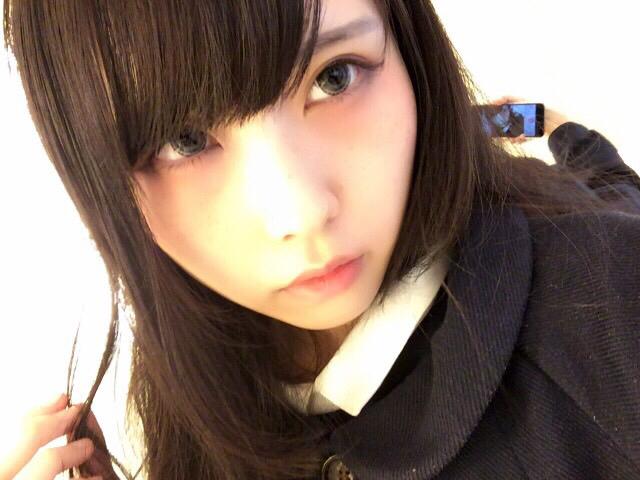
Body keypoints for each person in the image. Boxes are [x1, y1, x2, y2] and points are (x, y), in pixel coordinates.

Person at [2, 0, 639, 479]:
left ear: (410, 49)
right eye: (185, 141)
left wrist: (555, 127)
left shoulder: (611, 302)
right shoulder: (186, 388)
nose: (300, 213)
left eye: (334, 77)